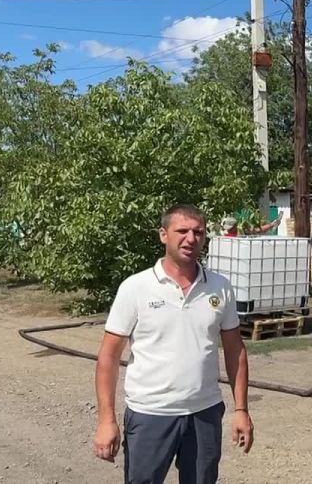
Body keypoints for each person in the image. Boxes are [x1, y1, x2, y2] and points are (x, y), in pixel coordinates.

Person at [93, 203, 253, 484]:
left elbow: (235, 350)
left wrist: (241, 410)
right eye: (182, 231)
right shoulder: (136, 287)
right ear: (163, 234)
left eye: (198, 232)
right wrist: (107, 420)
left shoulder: (220, 287)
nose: (191, 239)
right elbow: (108, 357)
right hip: (150, 414)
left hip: (204, 413)